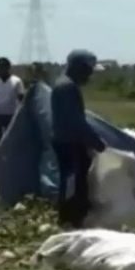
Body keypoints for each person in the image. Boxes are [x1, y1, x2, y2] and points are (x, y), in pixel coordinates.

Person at [50, 50, 106, 228]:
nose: (90, 75)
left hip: (66, 139)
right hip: (69, 142)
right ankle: (69, 219)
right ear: (79, 68)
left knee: (72, 181)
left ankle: (71, 217)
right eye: (88, 70)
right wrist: (98, 143)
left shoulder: (64, 84)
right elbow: (76, 122)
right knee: (72, 182)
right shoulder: (68, 87)